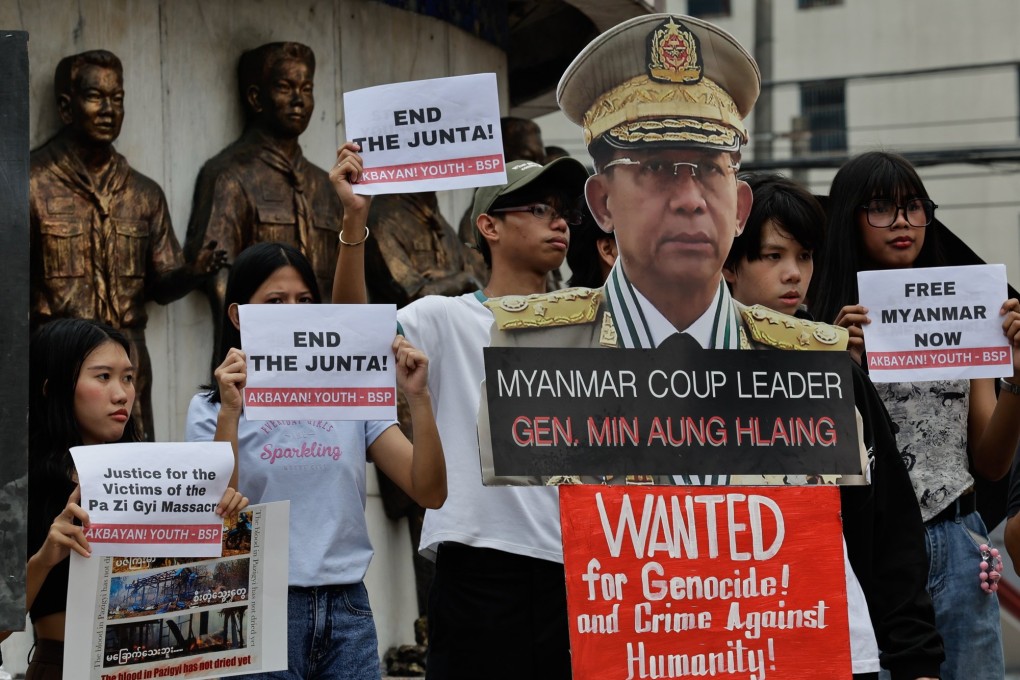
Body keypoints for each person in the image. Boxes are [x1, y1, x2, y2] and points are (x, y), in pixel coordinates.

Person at [478, 14, 944, 680]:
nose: (690, 199)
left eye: (710, 171)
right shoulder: (536, 355)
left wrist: (917, 661)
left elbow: (884, 531)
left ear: (740, 203)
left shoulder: (807, 361)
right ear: (603, 201)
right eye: (660, 170)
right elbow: (515, 567)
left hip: (801, 658)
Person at [330, 141, 590, 679]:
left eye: (562, 212)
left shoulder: (591, 322)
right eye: (538, 210)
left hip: (576, 570)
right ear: (489, 226)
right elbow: (349, 334)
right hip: (479, 565)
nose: (558, 222)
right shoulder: (444, 318)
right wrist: (356, 220)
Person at [185, 241, 447, 680]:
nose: (294, 312)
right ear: (237, 316)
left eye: (305, 301)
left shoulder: (351, 397)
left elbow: (430, 491)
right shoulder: (211, 408)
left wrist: (418, 397)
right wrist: (231, 411)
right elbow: (213, 511)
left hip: (347, 611)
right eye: (275, 301)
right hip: (254, 607)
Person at [810, 150, 1020, 680]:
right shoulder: (818, 326)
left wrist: (1018, 376)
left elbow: (991, 465)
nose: (902, 222)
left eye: (914, 207)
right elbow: (819, 463)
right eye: (881, 207)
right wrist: (840, 368)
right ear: (850, 218)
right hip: (867, 550)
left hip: (958, 537)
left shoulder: (966, 314)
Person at [24, 318, 247, 679]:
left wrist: (229, 413)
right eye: (103, 377)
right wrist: (44, 559)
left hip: (156, 667)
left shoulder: (151, 475)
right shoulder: (24, 486)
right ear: (54, 387)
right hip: (64, 666)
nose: (122, 393)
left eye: (127, 377)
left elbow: (216, 507)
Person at [29, 49, 224, 440]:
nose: (108, 109)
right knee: (54, 473)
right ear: (66, 107)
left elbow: (161, 283)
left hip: (127, 358)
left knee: (133, 479)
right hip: (58, 357)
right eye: (95, 97)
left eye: (117, 98)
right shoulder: (30, 183)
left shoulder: (143, 192)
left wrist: (190, 273)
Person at [184, 42, 343, 368]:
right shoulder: (230, 175)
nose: (299, 100)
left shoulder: (327, 186)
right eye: (285, 87)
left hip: (327, 361)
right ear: (256, 98)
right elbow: (218, 276)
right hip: (259, 362)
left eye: (307, 88)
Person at [723, 173, 824, 317]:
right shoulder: (701, 337)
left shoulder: (824, 337)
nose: (794, 274)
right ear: (728, 265)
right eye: (774, 256)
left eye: (804, 256)